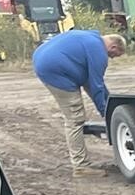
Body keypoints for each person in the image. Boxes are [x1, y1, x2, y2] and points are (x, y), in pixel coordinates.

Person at [32, 29, 125, 175]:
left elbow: (92, 83)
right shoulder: (98, 51)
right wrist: (107, 114)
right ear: (113, 47)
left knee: (77, 113)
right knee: (75, 118)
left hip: (43, 60)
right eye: (113, 55)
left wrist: (110, 104)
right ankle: (80, 166)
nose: (111, 58)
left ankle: (80, 164)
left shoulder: (89, 37)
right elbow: (96, 85)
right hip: (55, 71)